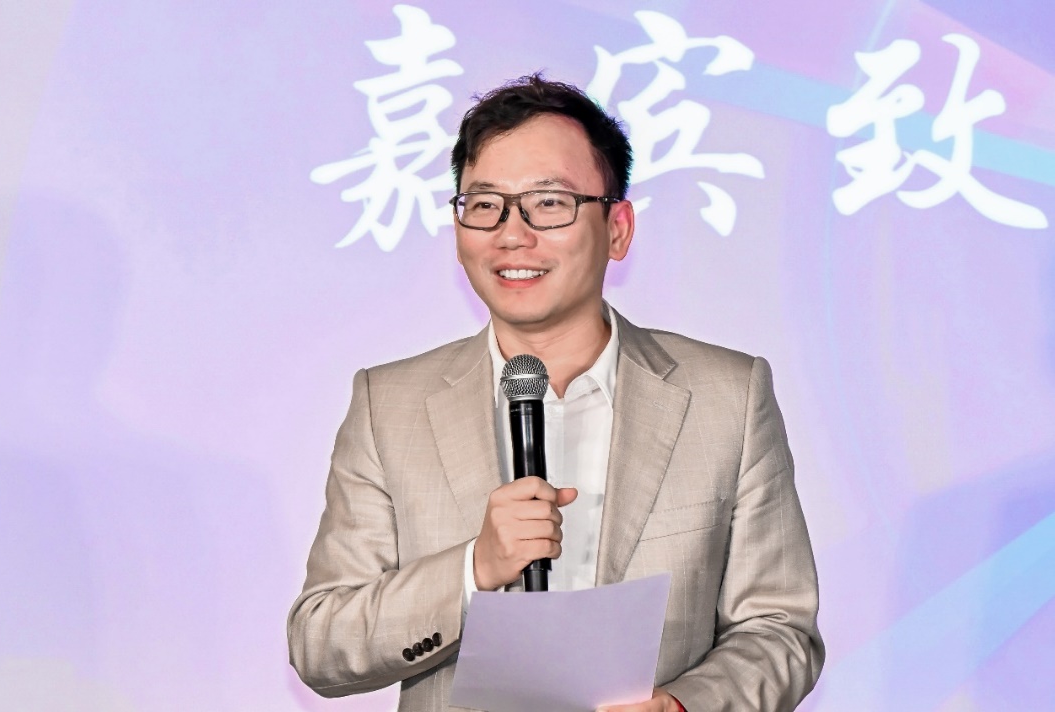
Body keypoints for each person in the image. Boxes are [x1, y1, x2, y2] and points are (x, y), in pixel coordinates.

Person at [288, 74, 824, 711]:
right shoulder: (390, 404)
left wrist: (684, 707)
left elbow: (779, 629)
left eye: (548, 203)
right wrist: (473, 568)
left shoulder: (727, 396)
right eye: (485, 204)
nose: (512, 233)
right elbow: (321, 643)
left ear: (617, 228)